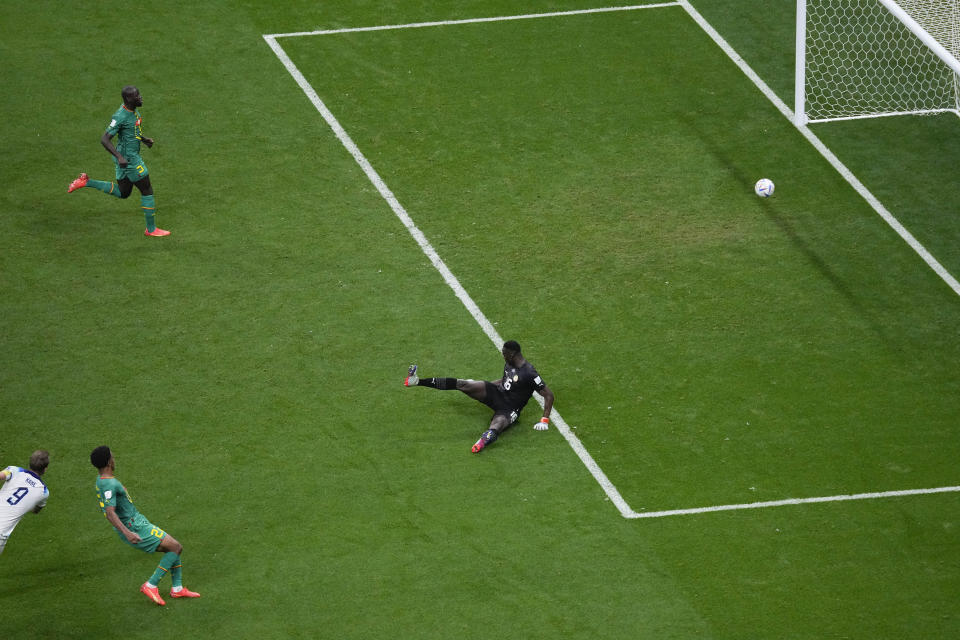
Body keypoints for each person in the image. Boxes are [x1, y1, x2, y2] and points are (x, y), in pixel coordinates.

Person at [90, 446, 199, 605]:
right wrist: (128, 533)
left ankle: (177, 588)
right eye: (112, 456)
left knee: (172, 548)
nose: (114, 458)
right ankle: (151, 585)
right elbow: (110, 512)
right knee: (175, 548)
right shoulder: (109, 484)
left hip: (137, 522)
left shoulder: (101, 481)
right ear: (108, 461)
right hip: (135, 526)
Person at [404, 340, 555, 452]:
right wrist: (482, 385)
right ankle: (416, 381)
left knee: (498, 424)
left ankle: (482, 442)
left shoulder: (529, 372)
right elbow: (504, 381)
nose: (503, 356)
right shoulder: (510, 364)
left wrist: (544, 420)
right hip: (497, 394)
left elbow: (549, 395)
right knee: (464, 384)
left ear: (512, 354)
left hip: (510, 408)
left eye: (504, 354)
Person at [67, 85, 170, 237]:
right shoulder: (120, 116)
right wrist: (119, 157)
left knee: (123, 192)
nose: (140, 97)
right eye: (137, 96)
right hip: (129, 159)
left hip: (125, 158)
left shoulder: (132, 111)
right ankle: (151, 229)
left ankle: (86, 182)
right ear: (129, 99)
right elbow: (104, 139)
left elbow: (130, 131)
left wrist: (144, 139)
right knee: (147, 189)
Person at [0, 450, 50, 555]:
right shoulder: (44, 491)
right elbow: (36, 510)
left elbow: (1, 476)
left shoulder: (14, 470)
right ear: (45, 469)